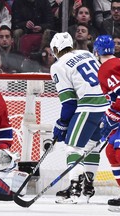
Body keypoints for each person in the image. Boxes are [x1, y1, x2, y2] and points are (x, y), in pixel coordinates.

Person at [49, 32, 109, 204]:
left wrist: (61, 125)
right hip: (107, 106)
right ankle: (88, 187)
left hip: (89, 107)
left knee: (73, 147)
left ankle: (74, 189)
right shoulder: (88, 53)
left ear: (55, 49)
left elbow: (69, 103)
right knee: (92, 146)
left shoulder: (58, 65)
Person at [93, 35, 120, 212]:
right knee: (111, 150)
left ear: (96, 51)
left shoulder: (106, 68)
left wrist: (111, 116)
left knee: (117, 149)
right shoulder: (116, 63)